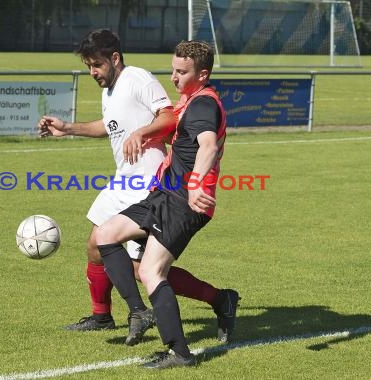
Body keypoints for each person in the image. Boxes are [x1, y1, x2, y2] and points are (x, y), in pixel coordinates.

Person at [39, 30, 238, 346]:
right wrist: (69, 128)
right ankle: (104, 314)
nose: (93, 72)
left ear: (114, 58)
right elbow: (111, 126)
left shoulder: (138, 79)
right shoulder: (111, 90)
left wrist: (141, 134)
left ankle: (209, 300)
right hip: (124, 178)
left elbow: (168, 116)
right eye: (89, 66)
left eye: (96, 65)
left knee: (141, 268)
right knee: (98, 246)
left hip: (146, 181)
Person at [96, 40, 237, 369]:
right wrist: (144, 132)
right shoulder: (189, 99)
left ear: (202, 74)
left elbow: (208, 146)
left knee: (151, 270)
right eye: (172, 69)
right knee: (105, 233)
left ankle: (180, 353)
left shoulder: (204, 105)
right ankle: (143, 310)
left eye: (181, 72)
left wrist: (197, 183)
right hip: (163, 194)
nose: (173, 77)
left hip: (184, 201)